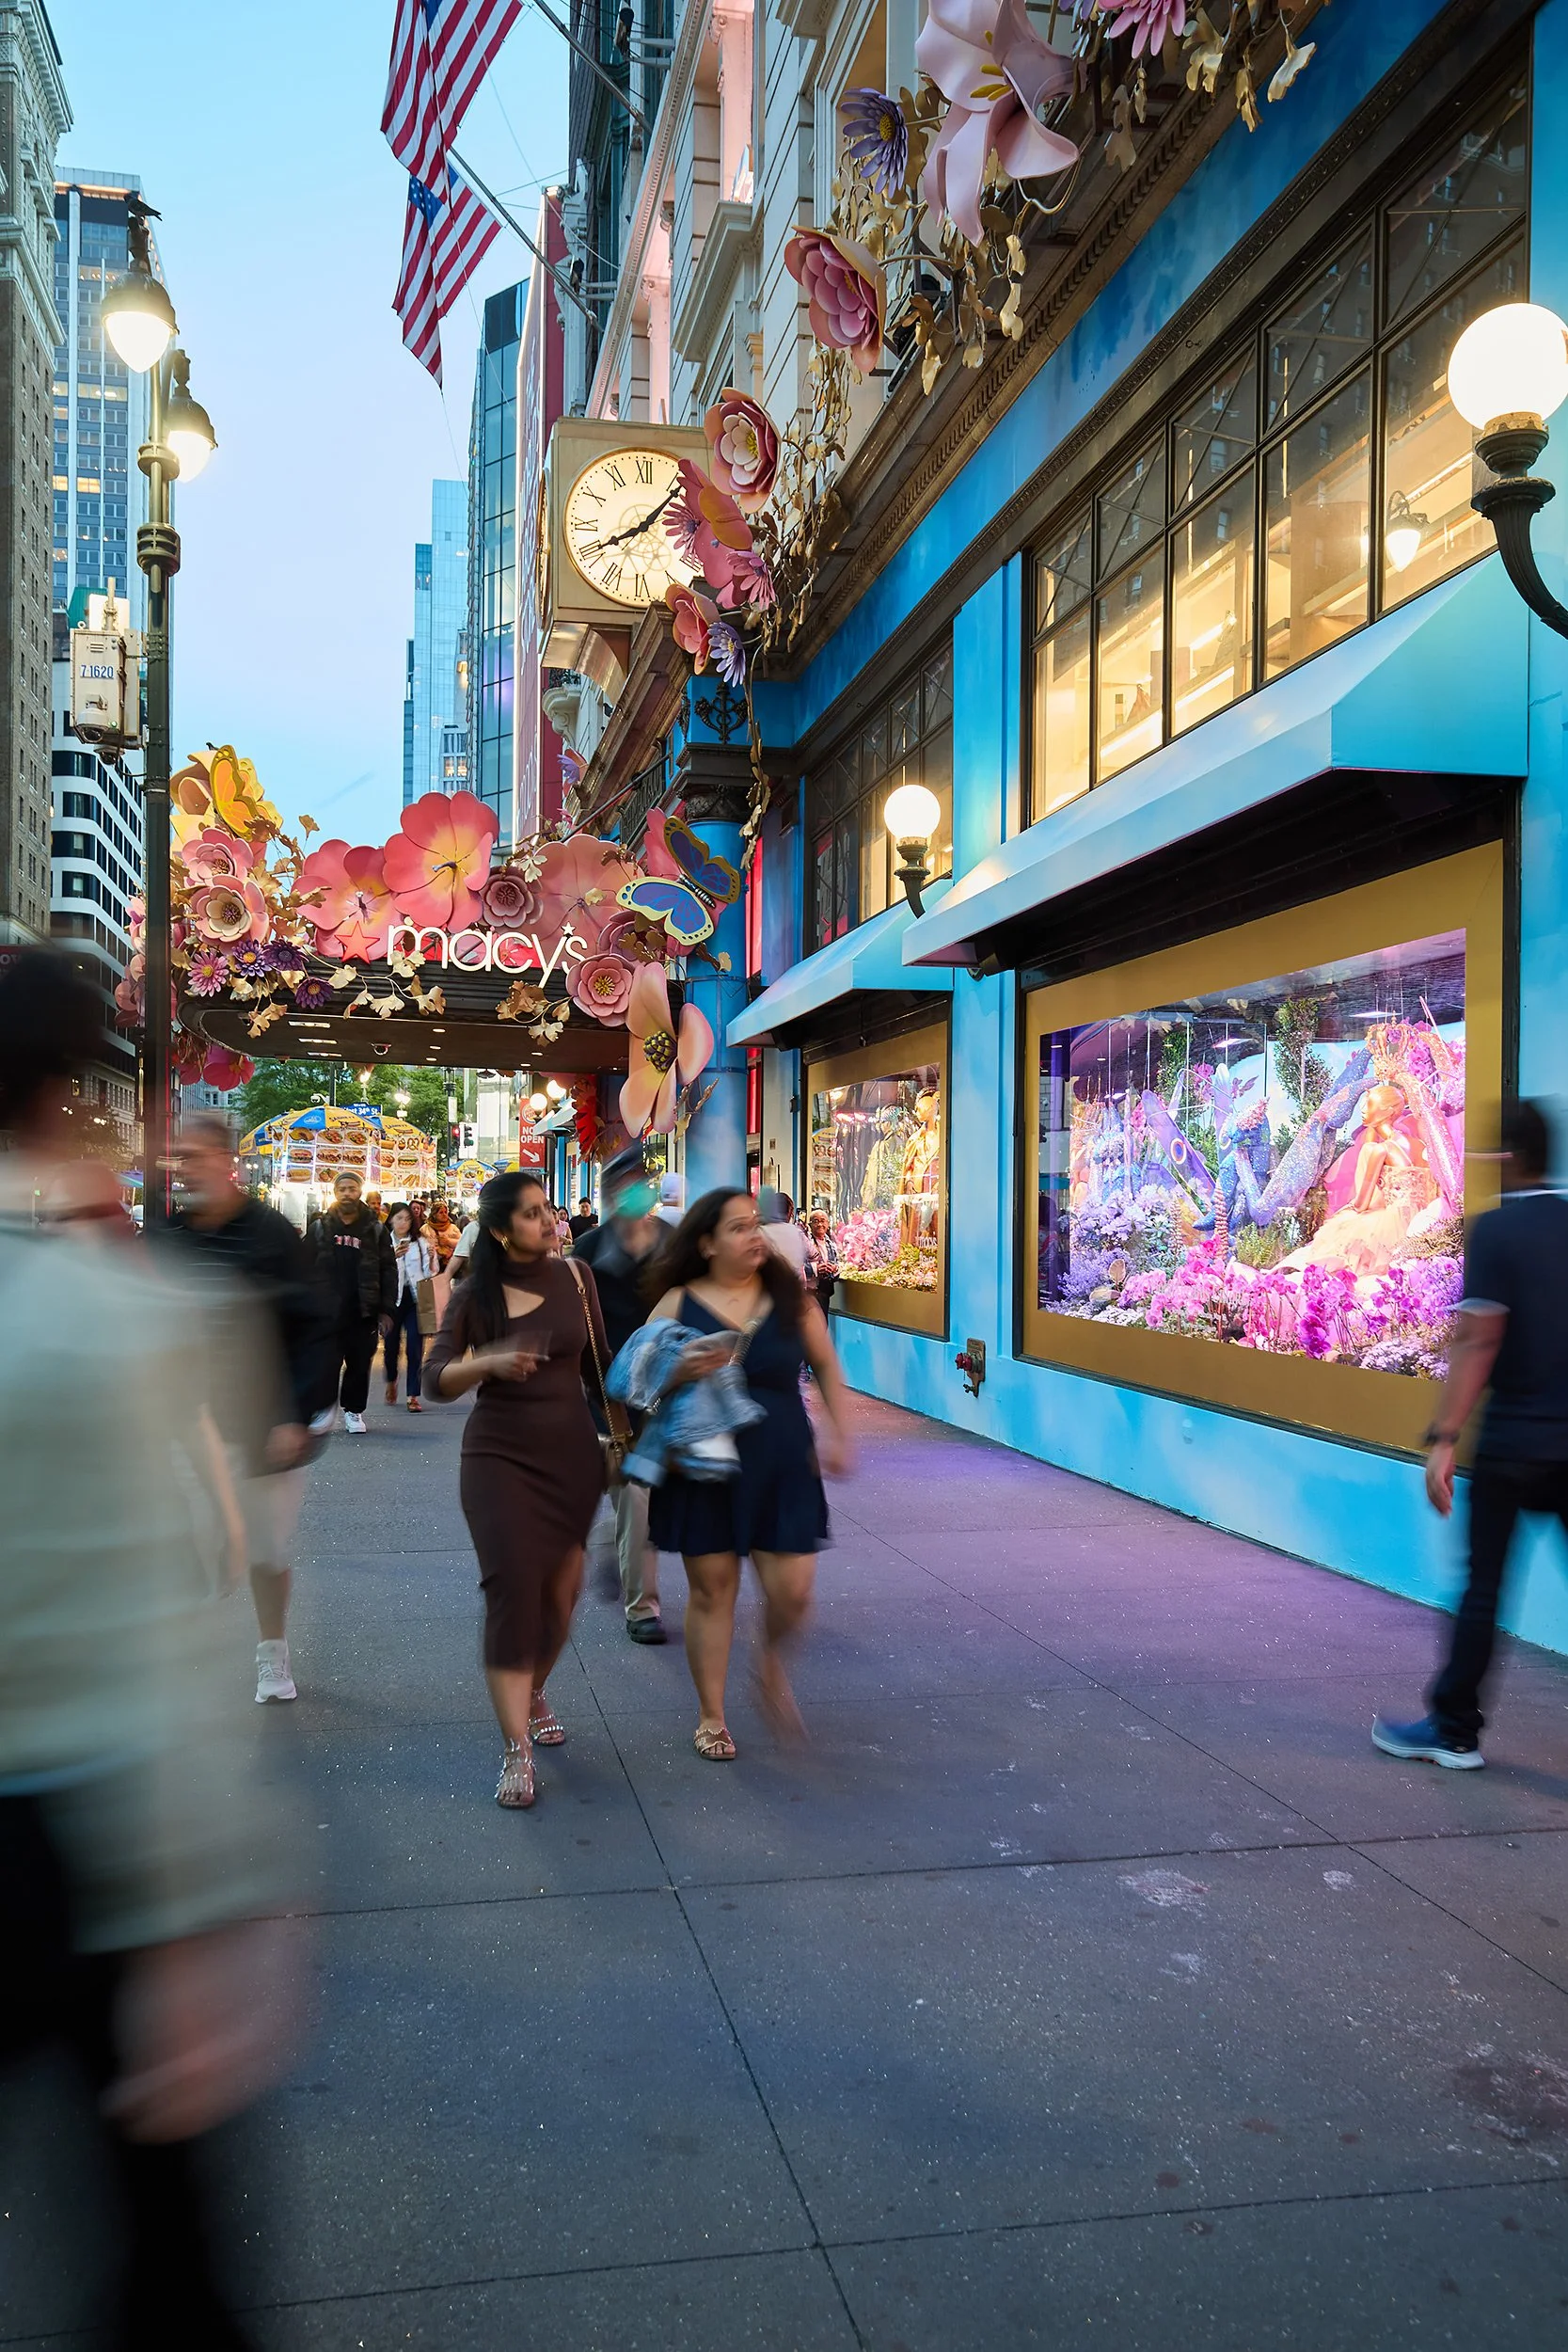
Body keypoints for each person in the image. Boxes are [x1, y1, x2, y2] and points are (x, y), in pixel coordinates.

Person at [0, 947, 300, 2345]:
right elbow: (166, 1630)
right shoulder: (122, 1317)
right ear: (73, 1096)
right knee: (168, 2272)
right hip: (75, 1830)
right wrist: (209, 1899)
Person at [1375, 1099, 1568, 1770]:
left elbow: (1477, 1337)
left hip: (1515, 1444)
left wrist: (1443, 1435)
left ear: (1508, 1158)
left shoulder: (1496, 1233)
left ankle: (1454, 1730)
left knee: (1482, 1588)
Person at [424, 1169, 623, 1807]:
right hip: (497, 1458)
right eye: (534, 1214)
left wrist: (636, 1424)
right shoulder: (474, 1292)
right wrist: (489, 1360)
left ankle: (533, 1685)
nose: (550, 1222)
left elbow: (601, 1367)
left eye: (550, 1211)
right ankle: (516, 1746)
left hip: (570, 1456)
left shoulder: (575, 1277)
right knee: (513, 1590)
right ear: (503, 1229)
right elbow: (435, 1379)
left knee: (561, 1600)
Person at [645, 1188, 852, 1760]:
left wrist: (840, 1434)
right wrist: (678, 1367)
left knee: (794, 1590)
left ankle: (769, 1664)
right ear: (706, 1243)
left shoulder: (791, 1299)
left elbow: (828, 1367)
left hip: (782, 1459)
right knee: (713, 1592)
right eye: (737, 1228)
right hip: (703, 1464)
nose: (754, 1236)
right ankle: (711, 1715)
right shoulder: (677, 1303)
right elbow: (639, 1379)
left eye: (755, 1225)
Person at [168, 1116, 327, 1704]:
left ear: (226, 1160)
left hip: (265, 1423)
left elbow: (314, 1326)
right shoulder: (169, 1237)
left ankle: (272, 1653)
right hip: (188, 1419)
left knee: (265, 1550)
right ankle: (176, 1654)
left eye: (197, 1156)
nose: (187, 1168)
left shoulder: (270, 1234)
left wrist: (295, 1413)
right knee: (189, 1535)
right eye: (180, 1158)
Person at [572, 1147, 668, 1644]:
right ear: (611, 1194)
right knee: (634, 1494)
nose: (638, 1190)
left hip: (666, 1389)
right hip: (610, 1395)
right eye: (627, 1183)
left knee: (649, 1500)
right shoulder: (587, 1250)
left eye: (643, 1180)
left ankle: (616, 1548)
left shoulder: (671, 1243)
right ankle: (642, 1608)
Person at [307, 1170, 396, 1434]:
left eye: (352, 1189)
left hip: (363, 1310)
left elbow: (389, 1270)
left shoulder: (376, 1229)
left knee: (359, 1364)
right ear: (335, 1193)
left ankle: (354, 1411)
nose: (347, 1193)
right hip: (327, 1311)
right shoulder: (320, 1227)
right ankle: (323, 1409)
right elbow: (303, 1266)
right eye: (342, 1189)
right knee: (325, 1363)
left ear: (360, 1192)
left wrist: (386, 1309)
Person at [384, 1201, 436, 1412]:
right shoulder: (383, 1242)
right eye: (399, 1218)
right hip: (391, 1299)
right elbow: (377, 1268)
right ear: (391, 1220)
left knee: (415, 1346)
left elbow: (429, 1272)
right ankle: (391, 1380)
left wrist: (432, 1259)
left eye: (407, 1218)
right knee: (391, 1346)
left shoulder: (420, 1242)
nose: (403, 1222)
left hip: (415, 1298)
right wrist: (391, 1256)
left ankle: (413, 1394)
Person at [758, 1186, 816, 1287]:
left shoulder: (760, 1231)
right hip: (794, 1289)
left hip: (768, 1287)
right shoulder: (796, 1232)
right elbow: (814, 1255)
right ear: (790, 1212)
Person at [807, 1210, 840, 1316]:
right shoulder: (805, 1242)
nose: (820, 1224)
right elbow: (796, 1266)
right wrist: (816, 1269)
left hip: (824, 1293)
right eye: (816, 1221)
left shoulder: (831, 1244)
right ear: (810, 1224)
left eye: (823, 1221)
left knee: (822, 1326)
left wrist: (834, 1269)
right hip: (808, 1293)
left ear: (828, 1224)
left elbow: (837, 1265)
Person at [427, 1197, 460, 1272]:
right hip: (432, 1265)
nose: (444, 1215)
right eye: (441, 1212)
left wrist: (448, 1241)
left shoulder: (453, 1227)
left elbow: (462, 1244)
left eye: (445, 1212)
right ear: (434, 1215)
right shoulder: (425, 1228)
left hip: (450, 1265)